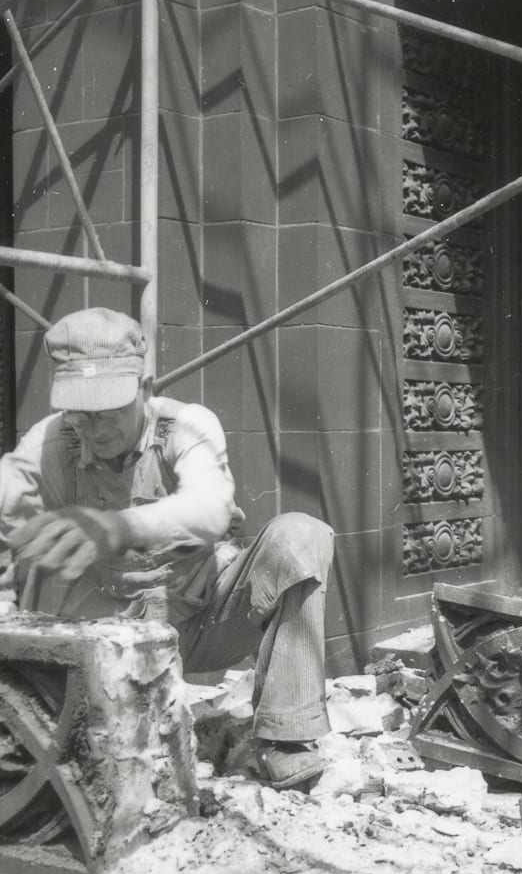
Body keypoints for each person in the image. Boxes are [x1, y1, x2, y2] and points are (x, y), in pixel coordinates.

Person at [0, 308, 335, 792]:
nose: (94, 429)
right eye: (80, 413)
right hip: (107, 639)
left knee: (301, 536)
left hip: (202, 619)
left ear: (144, 387)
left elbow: (210, 507)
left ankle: (286, 738)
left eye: (109, 411)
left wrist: (117, 527)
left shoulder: (186, 425)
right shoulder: (50, 441)